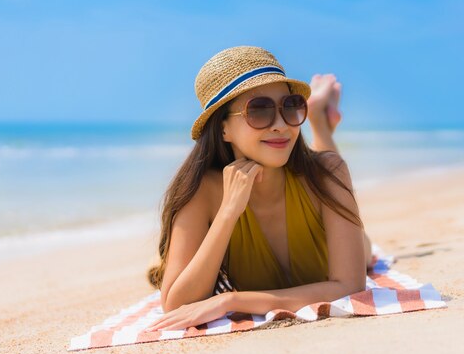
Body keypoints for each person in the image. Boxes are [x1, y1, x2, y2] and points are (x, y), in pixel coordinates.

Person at [145, 46, 372, 332]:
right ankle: (318, 118)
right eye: (260, 110)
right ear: (223, 128)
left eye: (291, 107)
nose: (280, 125)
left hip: (338, 216)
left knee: (366, 252)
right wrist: (229, 212)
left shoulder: (328, 173)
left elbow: (350, 285)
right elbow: (177, 305)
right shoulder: (205, 191)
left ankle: (318, 124)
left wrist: (230, 301)